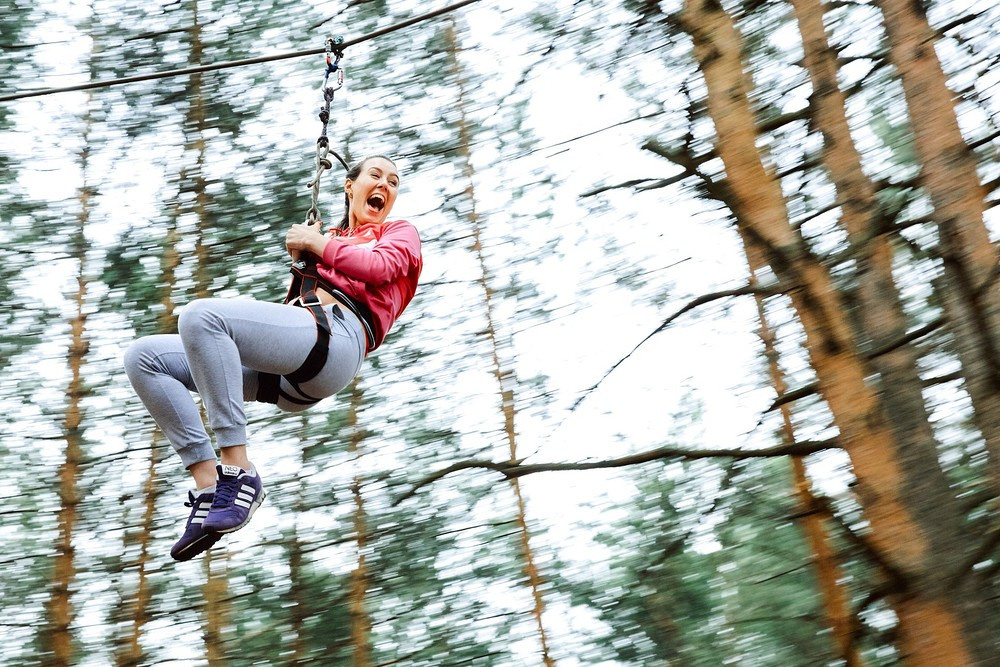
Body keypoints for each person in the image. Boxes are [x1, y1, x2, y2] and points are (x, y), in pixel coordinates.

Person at [124, 156, 421, 561]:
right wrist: (310, 250)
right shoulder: (330, 235)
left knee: (201, 317)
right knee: (145, 358)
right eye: (375, 175)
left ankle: (238, 468)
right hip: (293, 366)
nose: (385, 185)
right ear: (350, 187)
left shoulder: (397, 232)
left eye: (393, 181)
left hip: (339, 338)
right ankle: (210, 486)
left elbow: (381, 267)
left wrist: (318, 245)